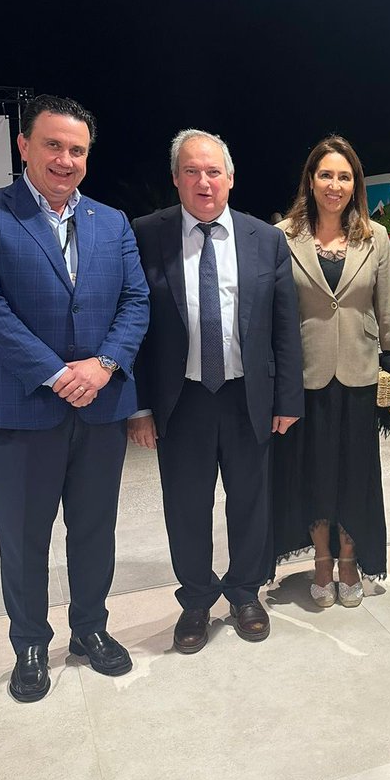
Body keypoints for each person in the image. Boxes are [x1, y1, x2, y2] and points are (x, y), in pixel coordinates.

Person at [0, 94, 150, 702]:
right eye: (53, 145)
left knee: (94, 529)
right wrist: (55, 373)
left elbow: (135, 301)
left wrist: (104, 365)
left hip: (100, 406)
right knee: (23, 536)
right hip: (19, 406)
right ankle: (30, 644)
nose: (65, 160)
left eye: (77, 150)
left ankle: (90, 629)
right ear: (24, 146)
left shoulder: (112, 222)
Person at [128, 129, 304, 654]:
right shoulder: (146, 234)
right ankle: (197, 600)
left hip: (247, 395)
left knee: (251, 501)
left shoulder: (265, 239)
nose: (203, 182)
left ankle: (246, 593)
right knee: (186, 505)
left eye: (212, 171)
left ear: (230, 178)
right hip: (180, 399)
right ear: (176, 178)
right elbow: (134, 325)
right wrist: (138, 406)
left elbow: (284, 328)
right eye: (191, 171)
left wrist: (287, 400)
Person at [272, 136, 390, 605]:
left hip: (360, 375)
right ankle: (322, 561)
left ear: (355, 184)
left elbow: (388, 313)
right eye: (326, 174)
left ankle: (350, 559)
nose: (335, 185)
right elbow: (276, 314)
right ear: (311, 180)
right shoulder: (283, 236)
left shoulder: (376, 237)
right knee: (313, 473)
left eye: (344, 176)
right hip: (305, 378)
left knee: (355, 475)